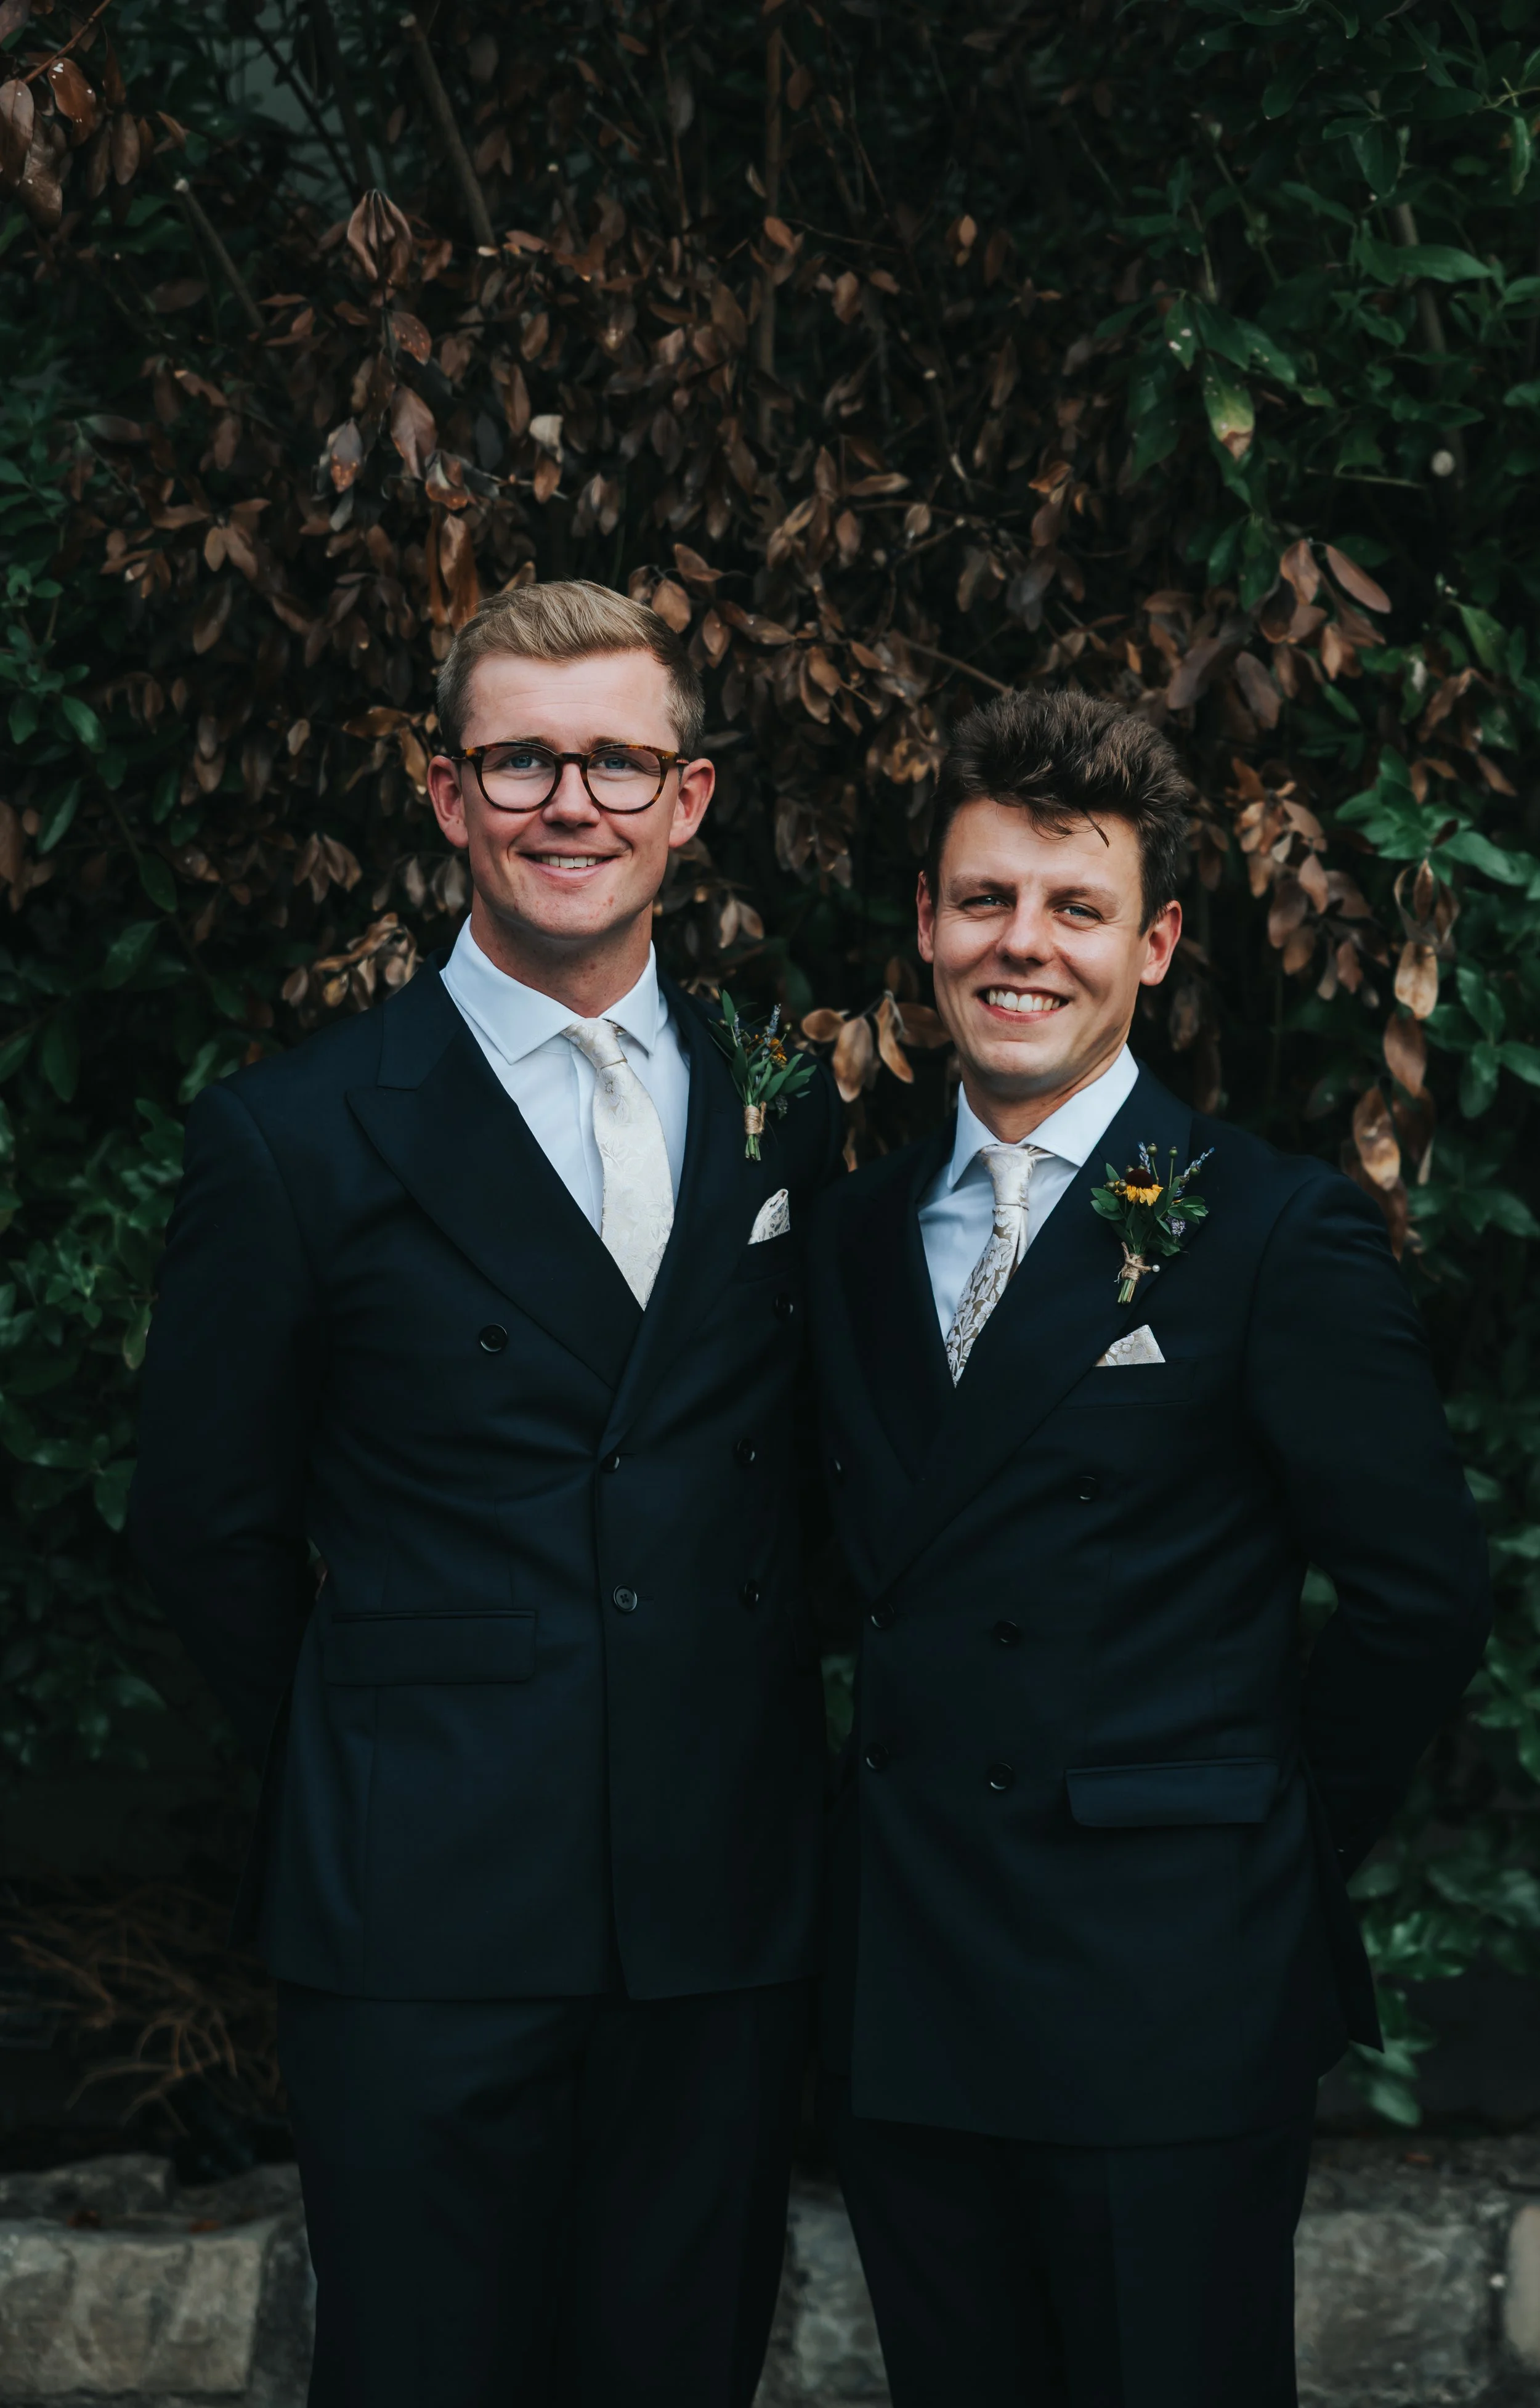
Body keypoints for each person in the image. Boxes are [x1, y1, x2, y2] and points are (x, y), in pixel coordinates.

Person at [130, 580, 842, 2408]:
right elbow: (204, 1526)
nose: (568, 802)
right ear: (448, 795)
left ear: (686, 803)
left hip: (712, 1905)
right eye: (520, 757)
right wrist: (380, 1741)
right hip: (419, 1905)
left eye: (616, 759)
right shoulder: (291, 1135)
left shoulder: (785, 1107)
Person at [807, 688, 1491, 2408]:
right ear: (925, 924)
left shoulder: (1272, 1229)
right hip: (910, 1999)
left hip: (1163, 1997)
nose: (1017, 945)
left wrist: (1247, 1842)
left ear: (1154, 940)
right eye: (982, 901)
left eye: (1072, 904)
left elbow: (1419, 1601)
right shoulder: (846, 1233)